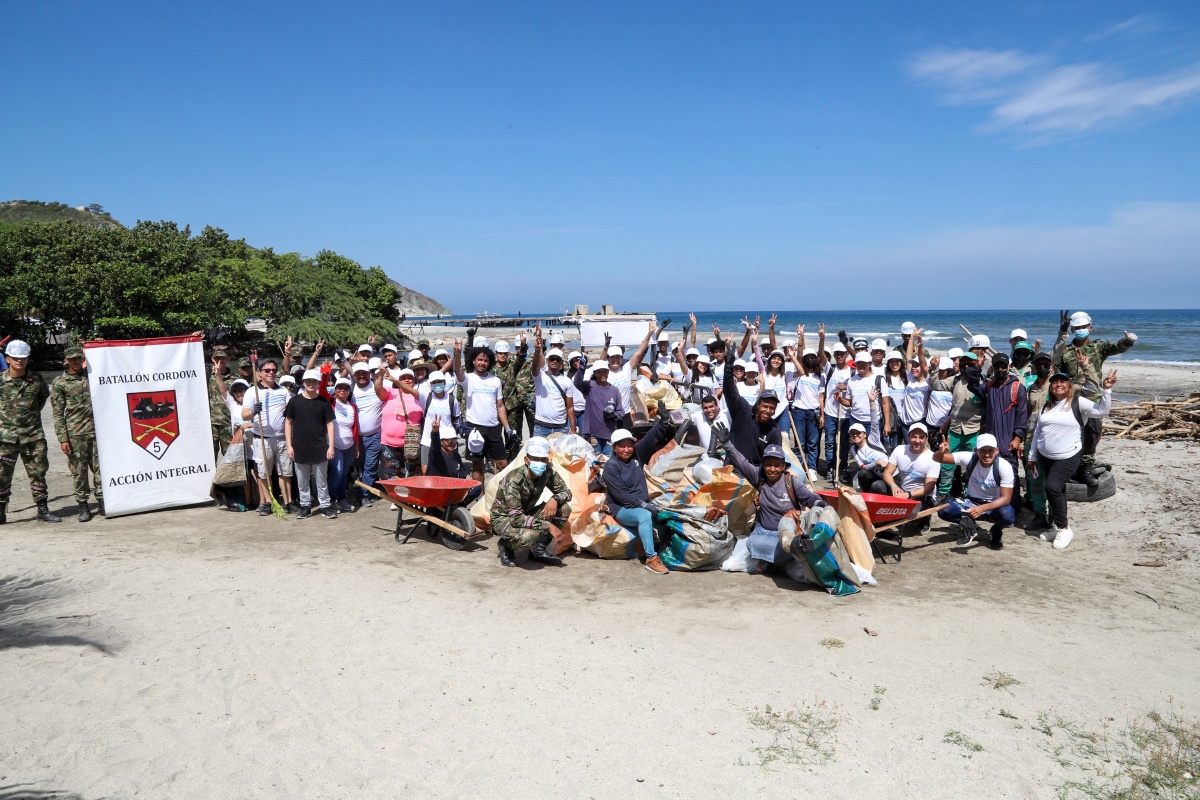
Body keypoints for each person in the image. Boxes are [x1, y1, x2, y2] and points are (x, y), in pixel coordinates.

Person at [1029, 369, 1117, 550]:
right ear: (1051, 387)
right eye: (1055, 382)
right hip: (1045, 457)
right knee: (1058, 490)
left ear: (1069, 386)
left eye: (1063, 382)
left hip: (1068, 456)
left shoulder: (1078, 403)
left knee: (1052, 487)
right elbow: (1038, 432)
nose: (1058, 384)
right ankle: (1056, 527)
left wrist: (1106, 390)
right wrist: (1032, 456)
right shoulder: (1046, 406)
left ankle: (1064, 528)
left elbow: (1102, 411)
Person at [1052, 310, 1137, 487]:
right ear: (1073, 330)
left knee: (1092, 432)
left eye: (1083, 327)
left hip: (1092, 398)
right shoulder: (1067, 352)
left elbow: (1116, 347)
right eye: (1077, 328)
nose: (1080, 330)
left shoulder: (1098, 347)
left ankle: (1086, 468)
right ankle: (1071, 466)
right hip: (1072, 397)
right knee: (1071, 432)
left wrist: (1128, 341)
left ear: (1090, 328)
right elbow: (1056, 367)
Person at [726, 441, 824, 569]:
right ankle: (775, 562)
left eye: (777, 466)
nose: (772, 469)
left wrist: (823, 505)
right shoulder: (759, 478)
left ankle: (774, 561)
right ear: (763, 465)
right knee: (751, 543)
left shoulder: (791, 482)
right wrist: (727, 444)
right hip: (761, 532)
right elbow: (742, 463)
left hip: (784, 535)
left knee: (783, 548)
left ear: (783, 466)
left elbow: (810, 498)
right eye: (768, 465)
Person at [603, 419, 681, 575]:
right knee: (645, 515)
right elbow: (621, 496)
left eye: (629, 445)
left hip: (641, 503)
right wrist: (644, 505)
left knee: (665, 517)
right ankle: (651, 558)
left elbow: (650, 438)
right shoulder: (611, 466)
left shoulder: (637, 454)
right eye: (622, 446)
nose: (627, 449)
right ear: (614, 447)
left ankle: (664, 549)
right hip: (622, 508)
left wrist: (663, 422)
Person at [490, 436, 571, 567]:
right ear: (526, 460)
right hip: (504, 519)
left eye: (543, 459)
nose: (540, 462)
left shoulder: (547, 473)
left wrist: (555, 498)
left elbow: (567, 493)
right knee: (530, 536)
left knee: (564, 508)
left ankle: (537, 551)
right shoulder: (514, 480)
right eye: (535, 459)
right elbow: (516, 518)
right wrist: (548, 526)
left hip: (525, 513)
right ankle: (506, 544)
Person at [970, 351, 1028, 516]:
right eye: (997, 366)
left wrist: (1018, 438)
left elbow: (1023, 415)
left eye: (1003, 366)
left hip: (1008, 440)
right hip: (990, 439)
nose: (1000, 369)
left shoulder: (1018, 388)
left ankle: (1014, 509)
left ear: (1009, 367)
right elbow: (972, 385)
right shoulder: (990, 386)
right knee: (991, 472)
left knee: (1011, 475)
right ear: (993, 368)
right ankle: (993, 505)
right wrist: (976, 368)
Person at [933, 434, 1016, 549]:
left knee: (1008, 516)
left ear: (996, 451)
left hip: (993, 505)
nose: (987, 454)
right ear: (976, 451)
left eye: (990, 450)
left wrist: (982, 508)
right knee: (944, 511)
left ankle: (996, 531)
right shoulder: (969, 458)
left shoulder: (1004, 466)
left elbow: (1006, 499)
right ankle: (970, 526)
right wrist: (941, 452)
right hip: (971, 501)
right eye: (983, 450)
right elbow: (937, 458)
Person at [50, 344, 103, 522]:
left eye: (79, 358)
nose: (77, 361)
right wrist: (63, 438)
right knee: (79, 472)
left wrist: (100, 345)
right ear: (66, 360)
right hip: (75, 434)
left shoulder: (93, 376)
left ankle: (103, 501)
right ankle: (83, 506)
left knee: (101, 469)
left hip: (98, 432)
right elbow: (58, 413)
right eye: (72, 359)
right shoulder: (60, 383)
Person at [721, 337, 782, 478]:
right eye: (765, 406)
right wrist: (728, 367)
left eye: (772, 408)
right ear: (758, 403)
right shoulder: (743, 410)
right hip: (731, 470)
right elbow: (730, 391)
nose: (768, 411)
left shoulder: (774, 431)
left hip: (753, 475)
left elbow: (773, 461)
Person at [241, 357, 296, 515]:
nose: (271, 373)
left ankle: (288, 502)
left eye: (273, 370)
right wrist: (253, 411)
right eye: (267, 371)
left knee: (285, 472)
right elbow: (244, 415)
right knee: (264, 473)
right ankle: (268, 503)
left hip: (282, 438)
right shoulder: (253, 392)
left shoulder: (283, 391)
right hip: (262, 439)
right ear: (259, 373)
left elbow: (290, 411)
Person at [453, 338, 511, 483]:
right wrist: (457, 354)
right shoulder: (468, 379)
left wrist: (507, 427)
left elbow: (500, 406)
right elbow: (458, 371)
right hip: (475, 429)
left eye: (485, 360)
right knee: (478, 466)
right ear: (473, 360)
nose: (482, 363)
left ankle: (503, 495)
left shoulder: (495, 381)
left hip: (494, 429)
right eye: (479, 360)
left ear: (490, 362)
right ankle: (480, 496)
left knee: (503, 463)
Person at [284, 369, 337, 519]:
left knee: (321, 480)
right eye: (308, 381)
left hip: (320, 446)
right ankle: (305, 506)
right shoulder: (294, 401)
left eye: (314, 381)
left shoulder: (323, 402)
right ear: (303, 383)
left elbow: (330, 424)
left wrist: (331, 446)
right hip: (299, 447)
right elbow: (288, 423)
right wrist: (289, 445)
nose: (311, 384)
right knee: (302, 481)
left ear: (319, 383)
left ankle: (325, 505)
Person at [936, 351, 985, 498]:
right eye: (963, 364)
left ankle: (971, 493)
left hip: (974, 431)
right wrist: (934, 370)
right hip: (955, 430)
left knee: (974, 464)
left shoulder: (983, 383)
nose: (966, 367)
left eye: (970, 364)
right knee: (947, 463)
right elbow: (936, 385)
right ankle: (944, 493)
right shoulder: (955, 380)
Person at [881, 423, 940, 534]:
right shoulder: (899, 450)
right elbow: (887, 473)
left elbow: (929, 487)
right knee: (878, 485)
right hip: (902, 490)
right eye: (914, 436)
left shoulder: (932, 457)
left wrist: (908, 495)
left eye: (921, 437)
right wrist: (894, 486)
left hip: (923, 496)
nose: (917, 441)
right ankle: (883, 518)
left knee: (915, 514)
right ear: (908, 436)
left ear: (926, 438)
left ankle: (925, 518)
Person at [1020, 351, 1054, 530]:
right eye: (1039, 365)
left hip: (1052, 442)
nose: (1042, 368)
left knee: (1053, 482)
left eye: (1045, 365)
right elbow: (1024, 415)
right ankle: (1040, 514)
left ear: (1051, 367)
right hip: (1031, 440)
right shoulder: (1030, 389)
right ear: (1033, 367)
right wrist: (1020, 441)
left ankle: (1055, 517)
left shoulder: (1057, 387)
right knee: (1035, 480)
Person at [376, 366, 423, 480]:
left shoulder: (419, 394)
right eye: (403, 378)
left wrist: (394, 380)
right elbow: (378, 389)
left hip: (411, 442)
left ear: (415, 380)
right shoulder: (391, 391)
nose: (407, 380)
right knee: (392, 473)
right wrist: (381, 375)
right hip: (389, 442)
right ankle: (395, 496)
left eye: (410, 378)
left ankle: (412, 495)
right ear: (399, 380)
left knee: (413, 473)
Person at [530, 327, 577, 437]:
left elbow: (570, 407)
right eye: (552, 359)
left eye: (557, 359)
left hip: (561, 427)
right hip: (541, 427)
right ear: (548, 360)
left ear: (561, 362)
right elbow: (535, 366)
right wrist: (537, 350)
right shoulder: (541, 376)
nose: (554, 361)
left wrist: (573, 429)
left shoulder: (567, 381)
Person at [323, 377, 358, 512]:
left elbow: (355, 427)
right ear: (335, 390)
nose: (343, 391)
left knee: (344, 473)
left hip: (349, 446)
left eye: (346, 388)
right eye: (340, 388)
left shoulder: (352, 406)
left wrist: (356, 445)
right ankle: (332, 500)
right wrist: (325, 374)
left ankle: (342, 499)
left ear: (349, 391)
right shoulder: (330, 402)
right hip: (334, 445)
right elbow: (322, 389)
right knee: (337, 472)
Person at [787, 346, 825, 474]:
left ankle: (812, 468)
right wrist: (793, 354)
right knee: (799, 443)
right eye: (807, 358)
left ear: (816, 360)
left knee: (812, 443)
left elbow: (821, 397)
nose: (810, 360)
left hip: (813, 411)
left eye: (812, 358)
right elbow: (798, 361)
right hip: (798, 411)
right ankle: (799, 468)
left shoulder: (821, 376)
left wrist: (822, 415)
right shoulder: (798, 374)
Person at [350, 362, 383, 507]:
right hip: (356, 439)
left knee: (370, 466)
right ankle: (372, 487)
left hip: (375, 435)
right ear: (354, 376)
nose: (362, 376)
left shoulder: (377, 386)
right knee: (362, 466)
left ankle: (362, 495)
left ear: (369, 373)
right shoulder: (350, 390)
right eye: (358, 373)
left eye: (364, 373)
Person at [494, 337, 533, 459]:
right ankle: (497, 459)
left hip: (512, 408)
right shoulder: (490, 369)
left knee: (514, 435)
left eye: (505, 353)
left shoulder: (512, 365)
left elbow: (521, 357)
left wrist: (523, 345)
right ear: (495, 354)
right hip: (494, 409)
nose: (503, 356)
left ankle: (513, 458)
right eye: (500, 353)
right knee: (495, 436)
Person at [573, 361, 622, 455]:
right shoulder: (589, 386)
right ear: (594, 373)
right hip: (593, 433)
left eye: (605, 371)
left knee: (607, 460)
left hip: (610, 433)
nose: (602, 374)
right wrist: (581, 369)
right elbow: (577, 382)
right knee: (595, 461)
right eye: (599, 372)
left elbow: (620, 411)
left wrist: (614, 415)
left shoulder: (614, 390)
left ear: (608, 372)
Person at [417, 370, 461, 472]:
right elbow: (410, 390)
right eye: (434, 382)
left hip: (446, 441)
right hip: (428, 440)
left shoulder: (451, 399)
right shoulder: (426, 397)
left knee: (446, 469)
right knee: (425, 470)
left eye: (439, 381)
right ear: (430, 384)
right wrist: (393, 379)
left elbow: (455, 416)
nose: (437, 384)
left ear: (444, 382)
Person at [820, 343, 853, 480]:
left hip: (845, 414)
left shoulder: (852, 372)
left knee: (844, 443)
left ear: (847, 355)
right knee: (829, 443)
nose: (839, 356)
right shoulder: (830, 369)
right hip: (830, 413)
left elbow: (856, 390)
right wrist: (822, 338)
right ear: (833, 355)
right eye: (837, 353)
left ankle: (843, 468)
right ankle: (830, 469)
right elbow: (821, 354)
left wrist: (846, 387)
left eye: (842, 353)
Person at [207, 345, 234, 458]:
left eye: (223, 358)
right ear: (213, 359)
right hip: (210, 424)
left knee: (230, 458)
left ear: (228, 359)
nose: (220, 361)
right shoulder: (206, 376)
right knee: (209, 457)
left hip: (227, 423)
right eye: (217, 358)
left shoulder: (234, 379)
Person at [848, 422, 889, 495]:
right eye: (852, 433)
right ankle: (867, 495)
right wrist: (876, 463)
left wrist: (872, 410)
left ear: (864, 434)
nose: (855, 435)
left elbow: (875, 424)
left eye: (858, 433)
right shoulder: (853, 449)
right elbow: (862, 467)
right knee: (862, 473)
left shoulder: (873, 440)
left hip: (889, 474)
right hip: (875, 475)